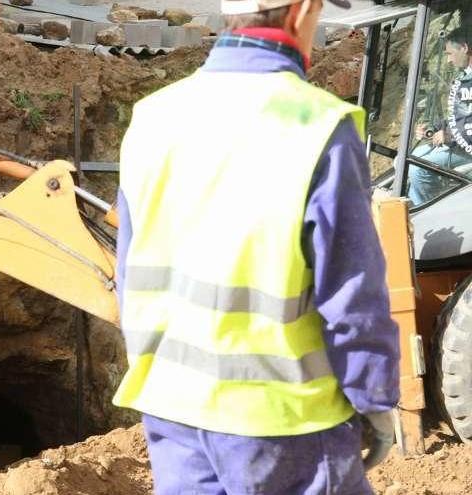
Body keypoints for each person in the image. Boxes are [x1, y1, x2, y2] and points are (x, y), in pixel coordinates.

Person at [113, 0, 400, 493]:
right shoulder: (318, 125)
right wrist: (374, 398)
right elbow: (352, 294)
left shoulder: (153, 117)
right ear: (303, 10)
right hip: (285, 425)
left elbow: (128, 271)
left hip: (173, 412)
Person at [409, 26, 472, 205]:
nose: (449, 61)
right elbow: (459, 117)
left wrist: (450, 137)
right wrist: (432, 128)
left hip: (466, 149)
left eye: (450, 54)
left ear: (465, 48)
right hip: (459, 144)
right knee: (406, 159)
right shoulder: (465, 77)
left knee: (417, 169)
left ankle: (429, 213)